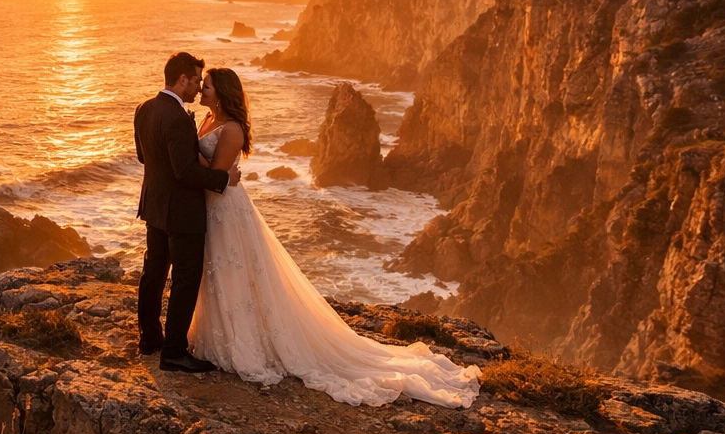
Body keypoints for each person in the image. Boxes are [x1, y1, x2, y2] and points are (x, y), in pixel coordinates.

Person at [187, 67, 480, 407]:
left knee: (233, 272)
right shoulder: (207, 119)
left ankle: (243, 342)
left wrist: (186, 152)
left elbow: (217, 175)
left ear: (221, 93)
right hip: (211, 207)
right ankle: (217, 335)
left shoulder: (232, 129)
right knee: (218, 273)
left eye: (206, 86)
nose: (201, 90)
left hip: (226, 209)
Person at [134, 52, 241, 372]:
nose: (197, 88)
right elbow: (184, 172)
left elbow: (144, 157)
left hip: (154, 206)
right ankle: (174, 352)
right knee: (184, 278)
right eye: (196, 81)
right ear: (182, 80)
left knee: (153, 273)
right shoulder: (179, 118)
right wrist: (224, 178)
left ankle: (150, 340)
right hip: (182, 212)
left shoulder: (144, 109)